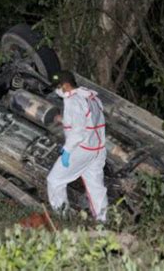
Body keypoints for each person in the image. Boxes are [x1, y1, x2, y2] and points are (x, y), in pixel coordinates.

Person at [47, 70, 108, 222]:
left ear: (66, 85)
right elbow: (87, 120)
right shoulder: (90, 97)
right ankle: (103, 221)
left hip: (82, 149)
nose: (57, 90)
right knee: (96, 188)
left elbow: (78, 132)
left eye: (59, 87)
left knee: (55, 180)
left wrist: (67, 151)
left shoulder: (72, 101)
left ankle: (63, 219)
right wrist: (63, 119)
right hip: (97, 149)